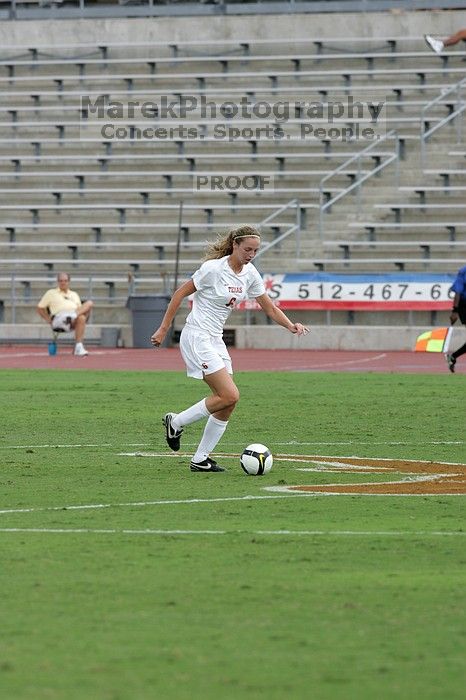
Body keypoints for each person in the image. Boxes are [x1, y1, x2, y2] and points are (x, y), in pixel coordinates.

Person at [150, 224, 309, 472]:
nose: (251, 255)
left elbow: (269, 307)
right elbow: (179, 294)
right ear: (234, 245)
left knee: (228, 403)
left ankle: (200, 459)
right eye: (247, 249)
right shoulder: (213, 269)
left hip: (215, 340)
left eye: (255, 251)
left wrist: (291, 325)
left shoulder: (250, 273)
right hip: (197, 337)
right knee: (229, 395)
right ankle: (176, 422)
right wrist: (163, 329)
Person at [36, 272, 93, 356]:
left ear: (69, 282)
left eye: (65, 281)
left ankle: (78, 347)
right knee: (81, 316)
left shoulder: (74, 294)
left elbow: (81, 310)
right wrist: (49, 320)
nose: (63, 283)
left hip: (72, 319)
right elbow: (39, 308)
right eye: (61, 281)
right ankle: (71, 316)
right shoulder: (51, 293)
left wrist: (78, 316)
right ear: (58, 282)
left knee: (88, 307)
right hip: (58, 319)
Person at [446, 264, 466, 373]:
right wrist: (455, 310)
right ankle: (453, 357)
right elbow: (458, 291)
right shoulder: (464, 271)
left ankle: (453, 357)